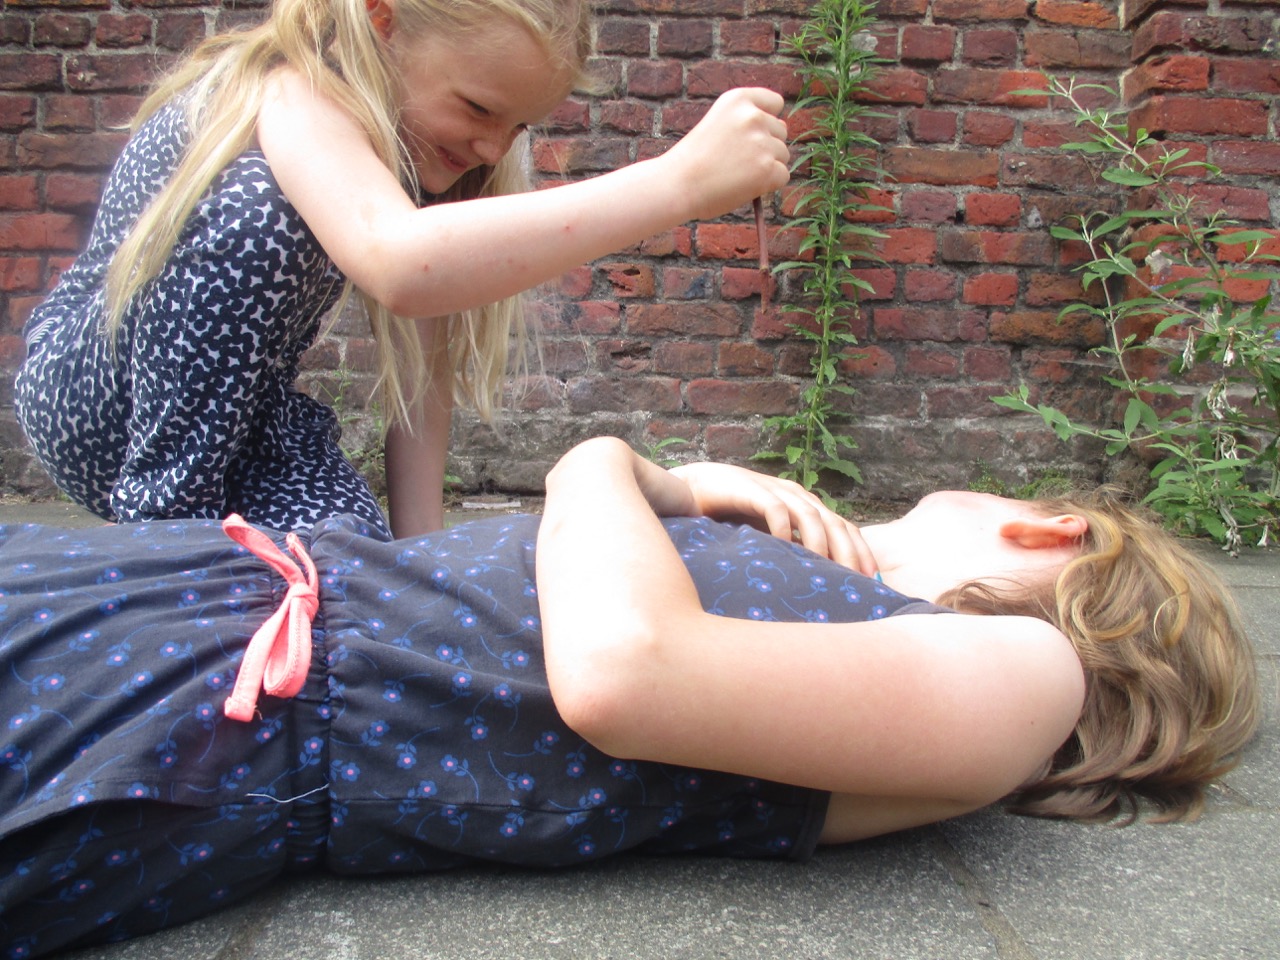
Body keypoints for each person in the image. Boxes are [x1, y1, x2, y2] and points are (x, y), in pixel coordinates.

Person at [0, 436, 1259, 958]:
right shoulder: (847, 607)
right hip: (194, 601)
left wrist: (607, 463)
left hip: (201, 706)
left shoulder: (1026, 676)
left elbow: (623, 672)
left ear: (1055, 532)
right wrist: (689, 493)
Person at [14, 0, 789, 540]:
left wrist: (420, 558)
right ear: (380, 19)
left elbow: (425, 354)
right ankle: (164, 548)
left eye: (518, 124)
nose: (493, 146)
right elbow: (402, 264)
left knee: (361, 573)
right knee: (256, 213)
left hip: (245, 425)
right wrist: (679, 182)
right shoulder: (293, 86)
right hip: (99, 400)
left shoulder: (413, 137)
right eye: (479, 109)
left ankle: (233, 559)